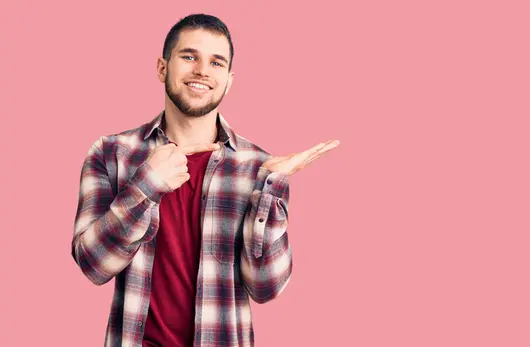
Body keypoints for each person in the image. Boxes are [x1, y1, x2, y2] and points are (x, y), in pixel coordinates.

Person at [71, 13, 339, 347]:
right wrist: (146, 186)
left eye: (216, 62)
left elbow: (265, 287)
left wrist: (271, 189)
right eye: (189, 56)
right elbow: (93, 265)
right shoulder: (111, 153)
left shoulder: (258, 167)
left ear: (228, 80)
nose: (201, 71)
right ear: (162, 68)